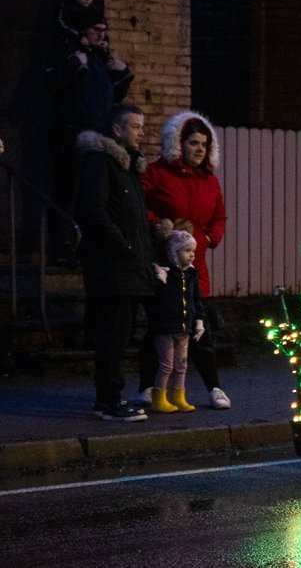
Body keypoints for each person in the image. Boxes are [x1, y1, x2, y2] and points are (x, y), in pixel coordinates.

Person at [138, 111, 231, 409]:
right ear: (179, 143)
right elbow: (137, 206)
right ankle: (148, 388)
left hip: (195, 267)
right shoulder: (157, 173)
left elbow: (219, 217)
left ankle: (214, 388)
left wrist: (209, 238)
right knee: (159, 328)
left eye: (204, 144)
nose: (199, 149)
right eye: (193, 143)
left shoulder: (210, 181)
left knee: (200, 327)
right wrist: (160, 227)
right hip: (164, 266)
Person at [76, 103, 154, 421]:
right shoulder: (101, 162)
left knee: (120, 336)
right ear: (117, 129)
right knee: (111, 336)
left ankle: (108, 398)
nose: (141, 133)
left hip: (129, 268)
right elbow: (93, 211)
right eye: (136, 126)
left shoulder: (129, 166)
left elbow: (134, 217)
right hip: (111, 267)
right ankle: (109, 400)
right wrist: (124, 247)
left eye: (142, 127)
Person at [46, 8, 133, 261]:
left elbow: (112, 96)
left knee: (93, 195)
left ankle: (87, 247)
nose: (101, 35)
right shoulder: (70, 54)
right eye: (96, 30)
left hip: (99, 137)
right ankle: (62, 247)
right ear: (83, 31)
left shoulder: (98, 60)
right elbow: (53, 84)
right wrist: (76, 64)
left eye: (104, 31)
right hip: (71, 135)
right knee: (68, 190)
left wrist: (121, 72)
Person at [148, 231, 205, 414]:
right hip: (166, 327)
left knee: (182, 364)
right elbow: (156, 300)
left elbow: (196, 299)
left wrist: (199, 322)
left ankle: (178, 397)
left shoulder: (190, 274)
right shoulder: (164, 273)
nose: (191, 254)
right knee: (166, 365)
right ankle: (159, 398)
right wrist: (159, 282)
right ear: (174, 252)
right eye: (186, 250)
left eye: (193, 251)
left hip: (184, 326)